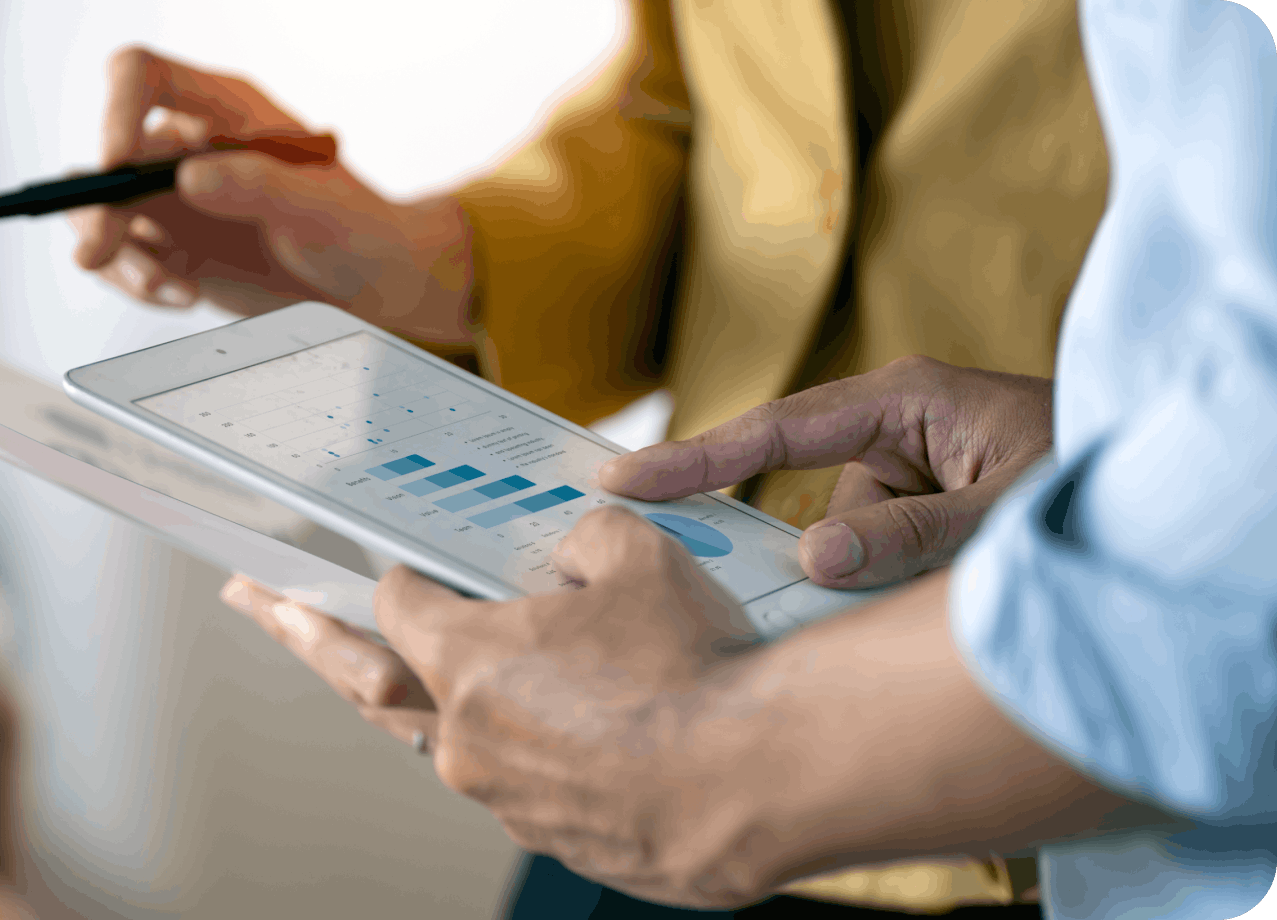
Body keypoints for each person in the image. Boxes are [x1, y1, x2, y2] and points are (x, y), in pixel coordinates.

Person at [220, 1, 1277, 918]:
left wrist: (728, 760)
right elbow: (711, 108)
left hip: (1009, 782)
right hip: (671, 708)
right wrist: (449, 262)